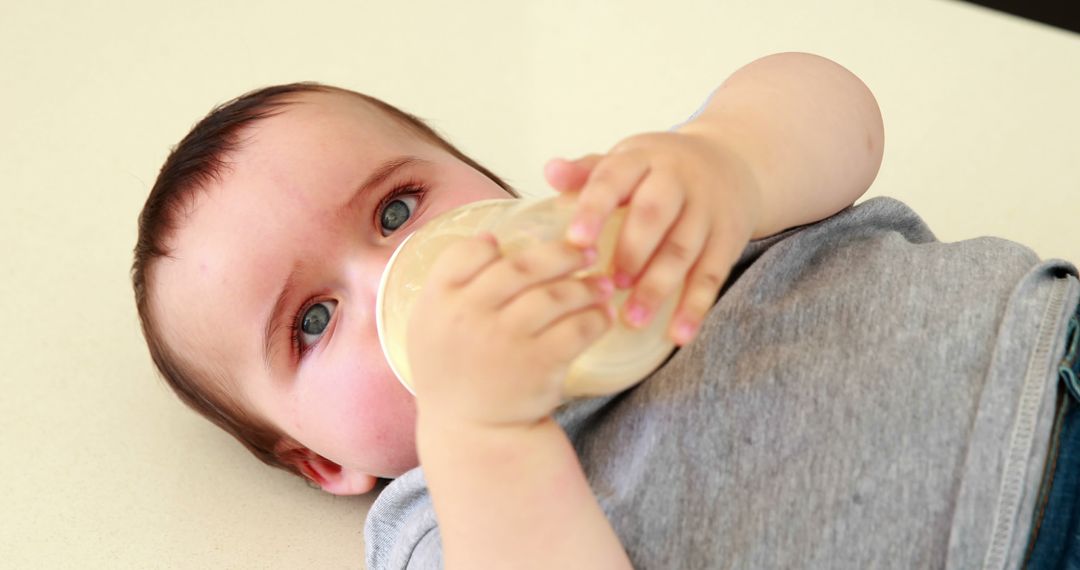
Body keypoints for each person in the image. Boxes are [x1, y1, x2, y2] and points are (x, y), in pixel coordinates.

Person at [131, 52, 1079, 569]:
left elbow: (841, 111)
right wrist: (483, 431)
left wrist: (729, 160)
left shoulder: (638, 220)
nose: (403, 274)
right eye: (312, 321)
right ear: (326, 463)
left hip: (1052, 359)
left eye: (396, 208)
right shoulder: (440, 521)